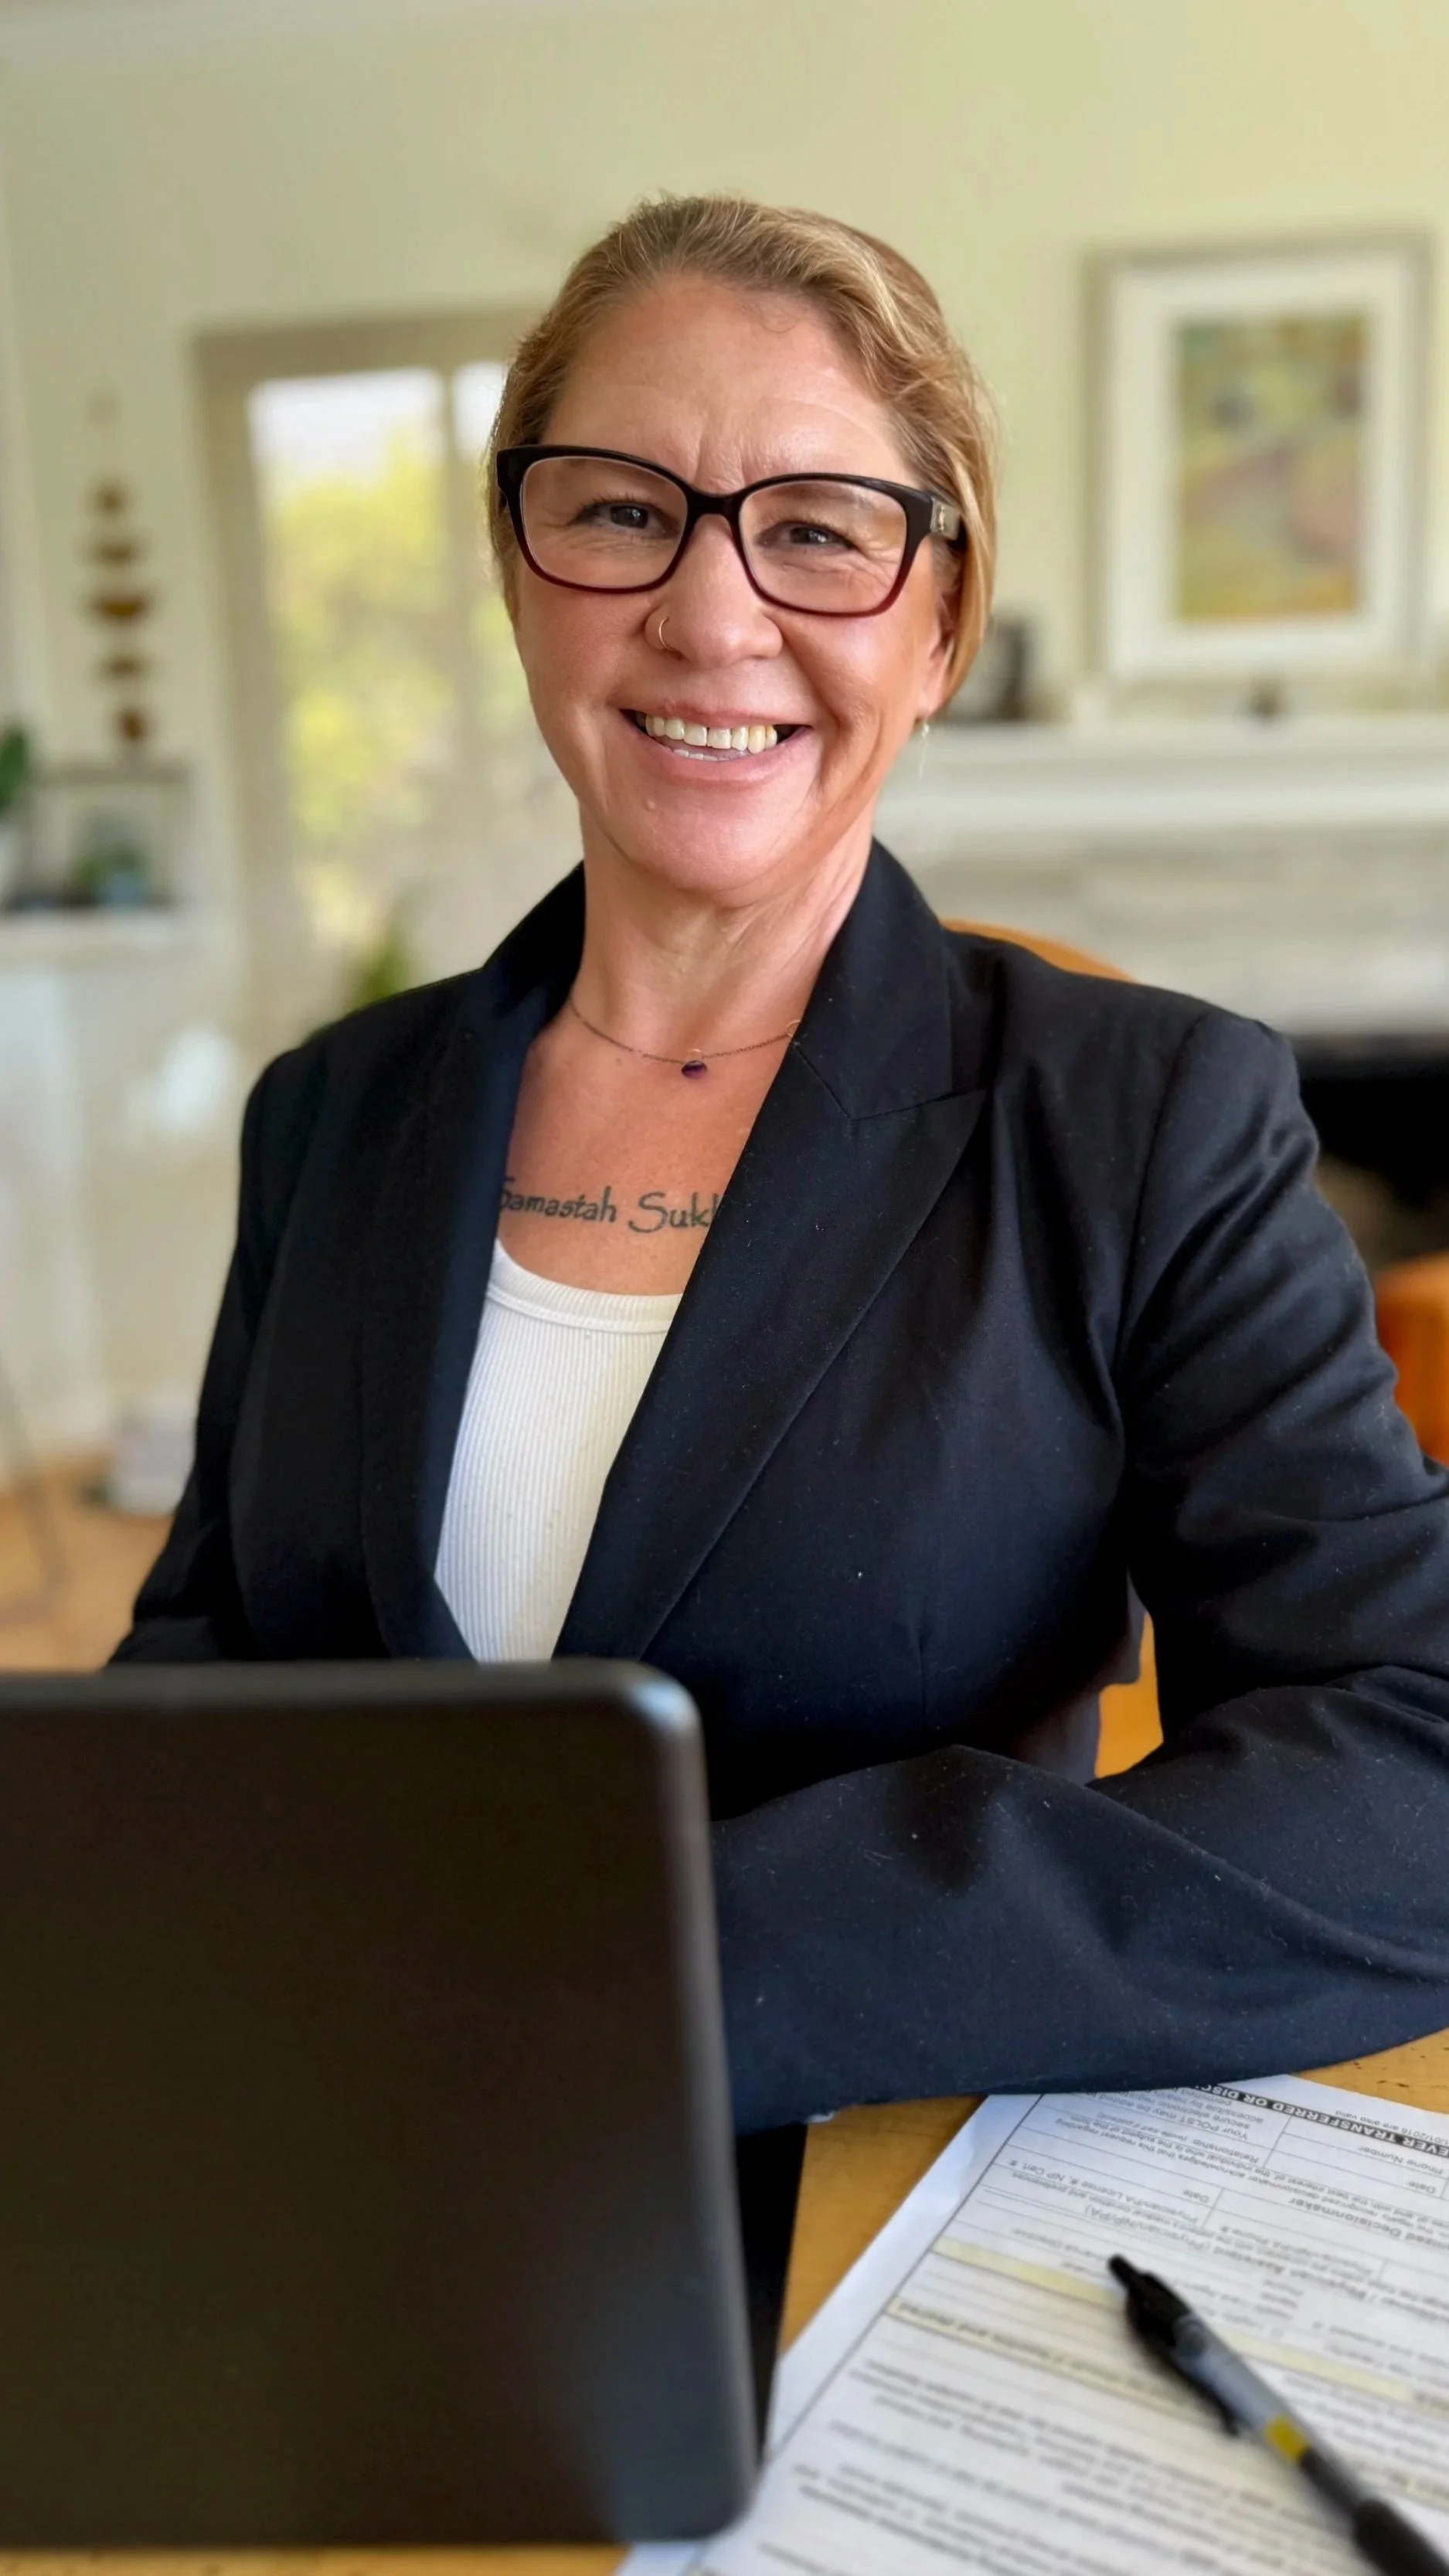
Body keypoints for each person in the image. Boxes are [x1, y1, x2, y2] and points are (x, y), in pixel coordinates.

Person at [116, 195, 1449, 2130]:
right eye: (619, 509)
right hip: (328, 2148)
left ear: (940, 624)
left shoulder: (1146, 1118)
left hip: (832, 2194)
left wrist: (667, 1963)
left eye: (818, 530)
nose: (711, 613)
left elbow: (1410, 1753)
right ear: (519, 571)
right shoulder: (329, 1110)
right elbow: (202, 1663)